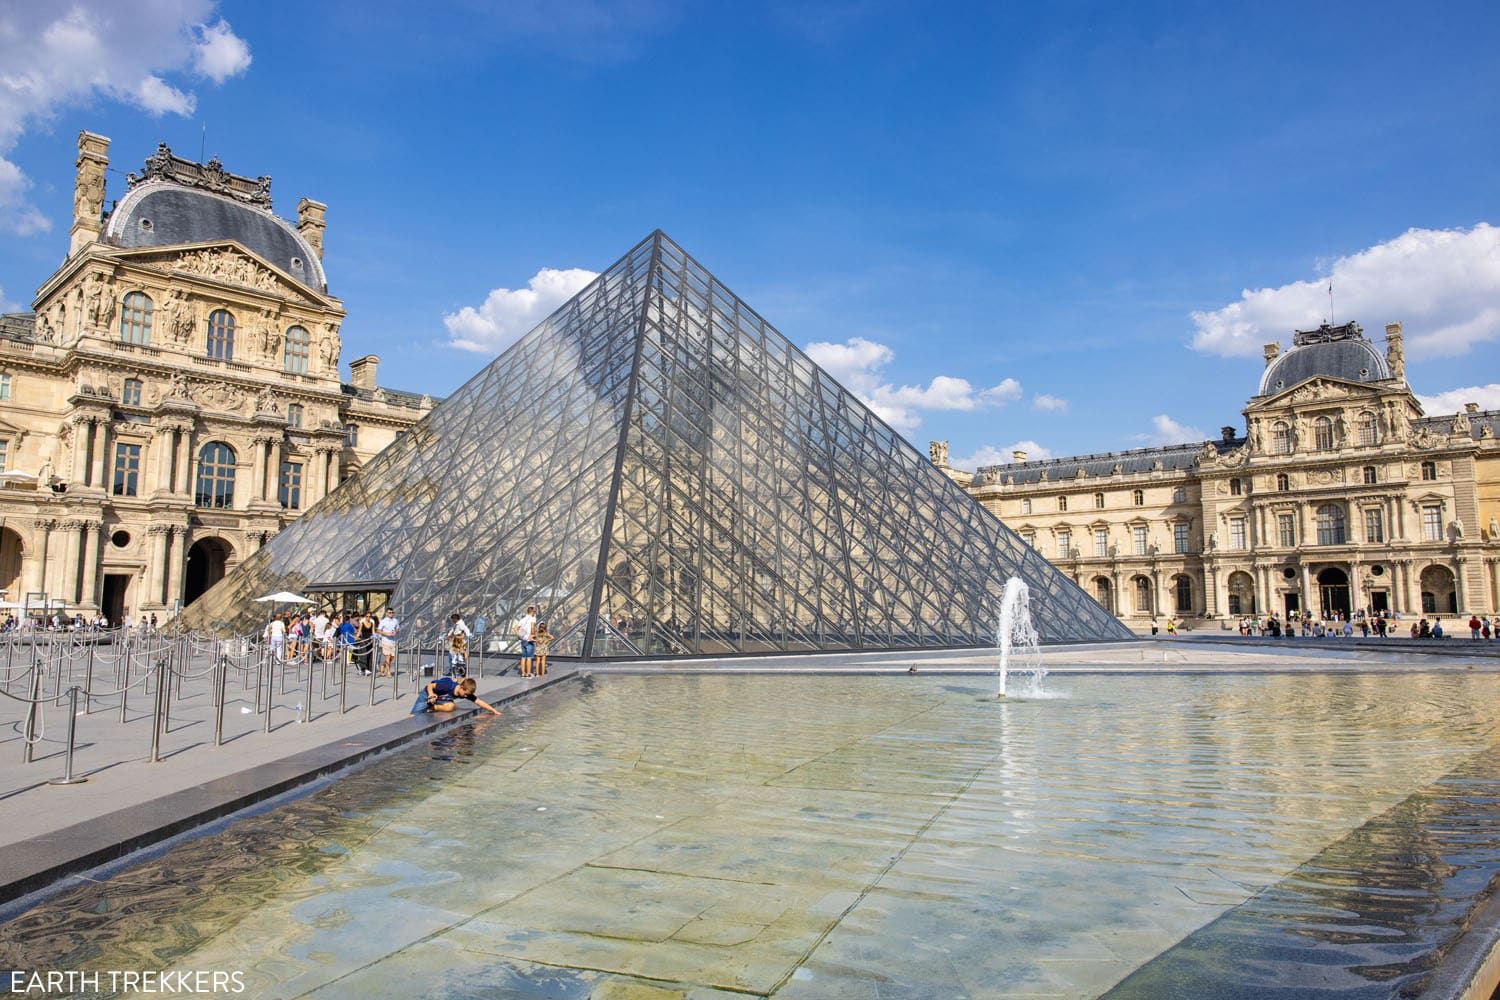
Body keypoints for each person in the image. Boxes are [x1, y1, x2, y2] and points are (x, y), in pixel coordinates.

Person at [410, 675, 501, 716]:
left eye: (467, 695)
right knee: (414, 716)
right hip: (427, 694)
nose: (465, 697)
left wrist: (494, 711)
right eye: (465, 694)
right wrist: (431, 694)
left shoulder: (466, 693)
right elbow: (430, 685)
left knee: (451, 706)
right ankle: (427, 705)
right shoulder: (447, 685)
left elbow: (479, 701)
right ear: (462, 687)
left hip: (440, 699)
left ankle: (432, 707)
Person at [514, 605, 538, 678]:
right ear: (532, 612)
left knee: (523, 657)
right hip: (529, 640)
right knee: (529, 657)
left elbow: (515, 628)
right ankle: (528, 673)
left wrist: (518, 635)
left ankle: (523, 673)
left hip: (523, 640)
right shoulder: (533, 618)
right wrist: (532, 636)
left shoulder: (522, 619)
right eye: (534, 611)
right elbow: (532, 627)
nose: (535, 613)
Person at [446, 612, 472, 677]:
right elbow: (452, 630)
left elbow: (465, 629)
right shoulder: (456, 624)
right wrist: (449, 635)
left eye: (452, 620)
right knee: (455, 655)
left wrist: (469, 635)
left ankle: (459, 670)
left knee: (458, 655)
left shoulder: (460, 624)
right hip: (456, 640)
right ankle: (455, 669)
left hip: (459, 641)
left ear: (455, 619)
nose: (452, 621)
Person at [377, 607, 400, 677]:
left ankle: (383, 665)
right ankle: (388, 672)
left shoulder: (395, 620)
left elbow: (398, 629)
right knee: (388, 656)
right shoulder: (383, 621)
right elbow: (378, 630)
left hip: (393, 640)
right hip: (385, 640)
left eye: (392, 613)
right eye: (390, 613)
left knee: (392, 657)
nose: (391, 614)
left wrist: (395, 632)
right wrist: (386, 634)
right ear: (386, 613)